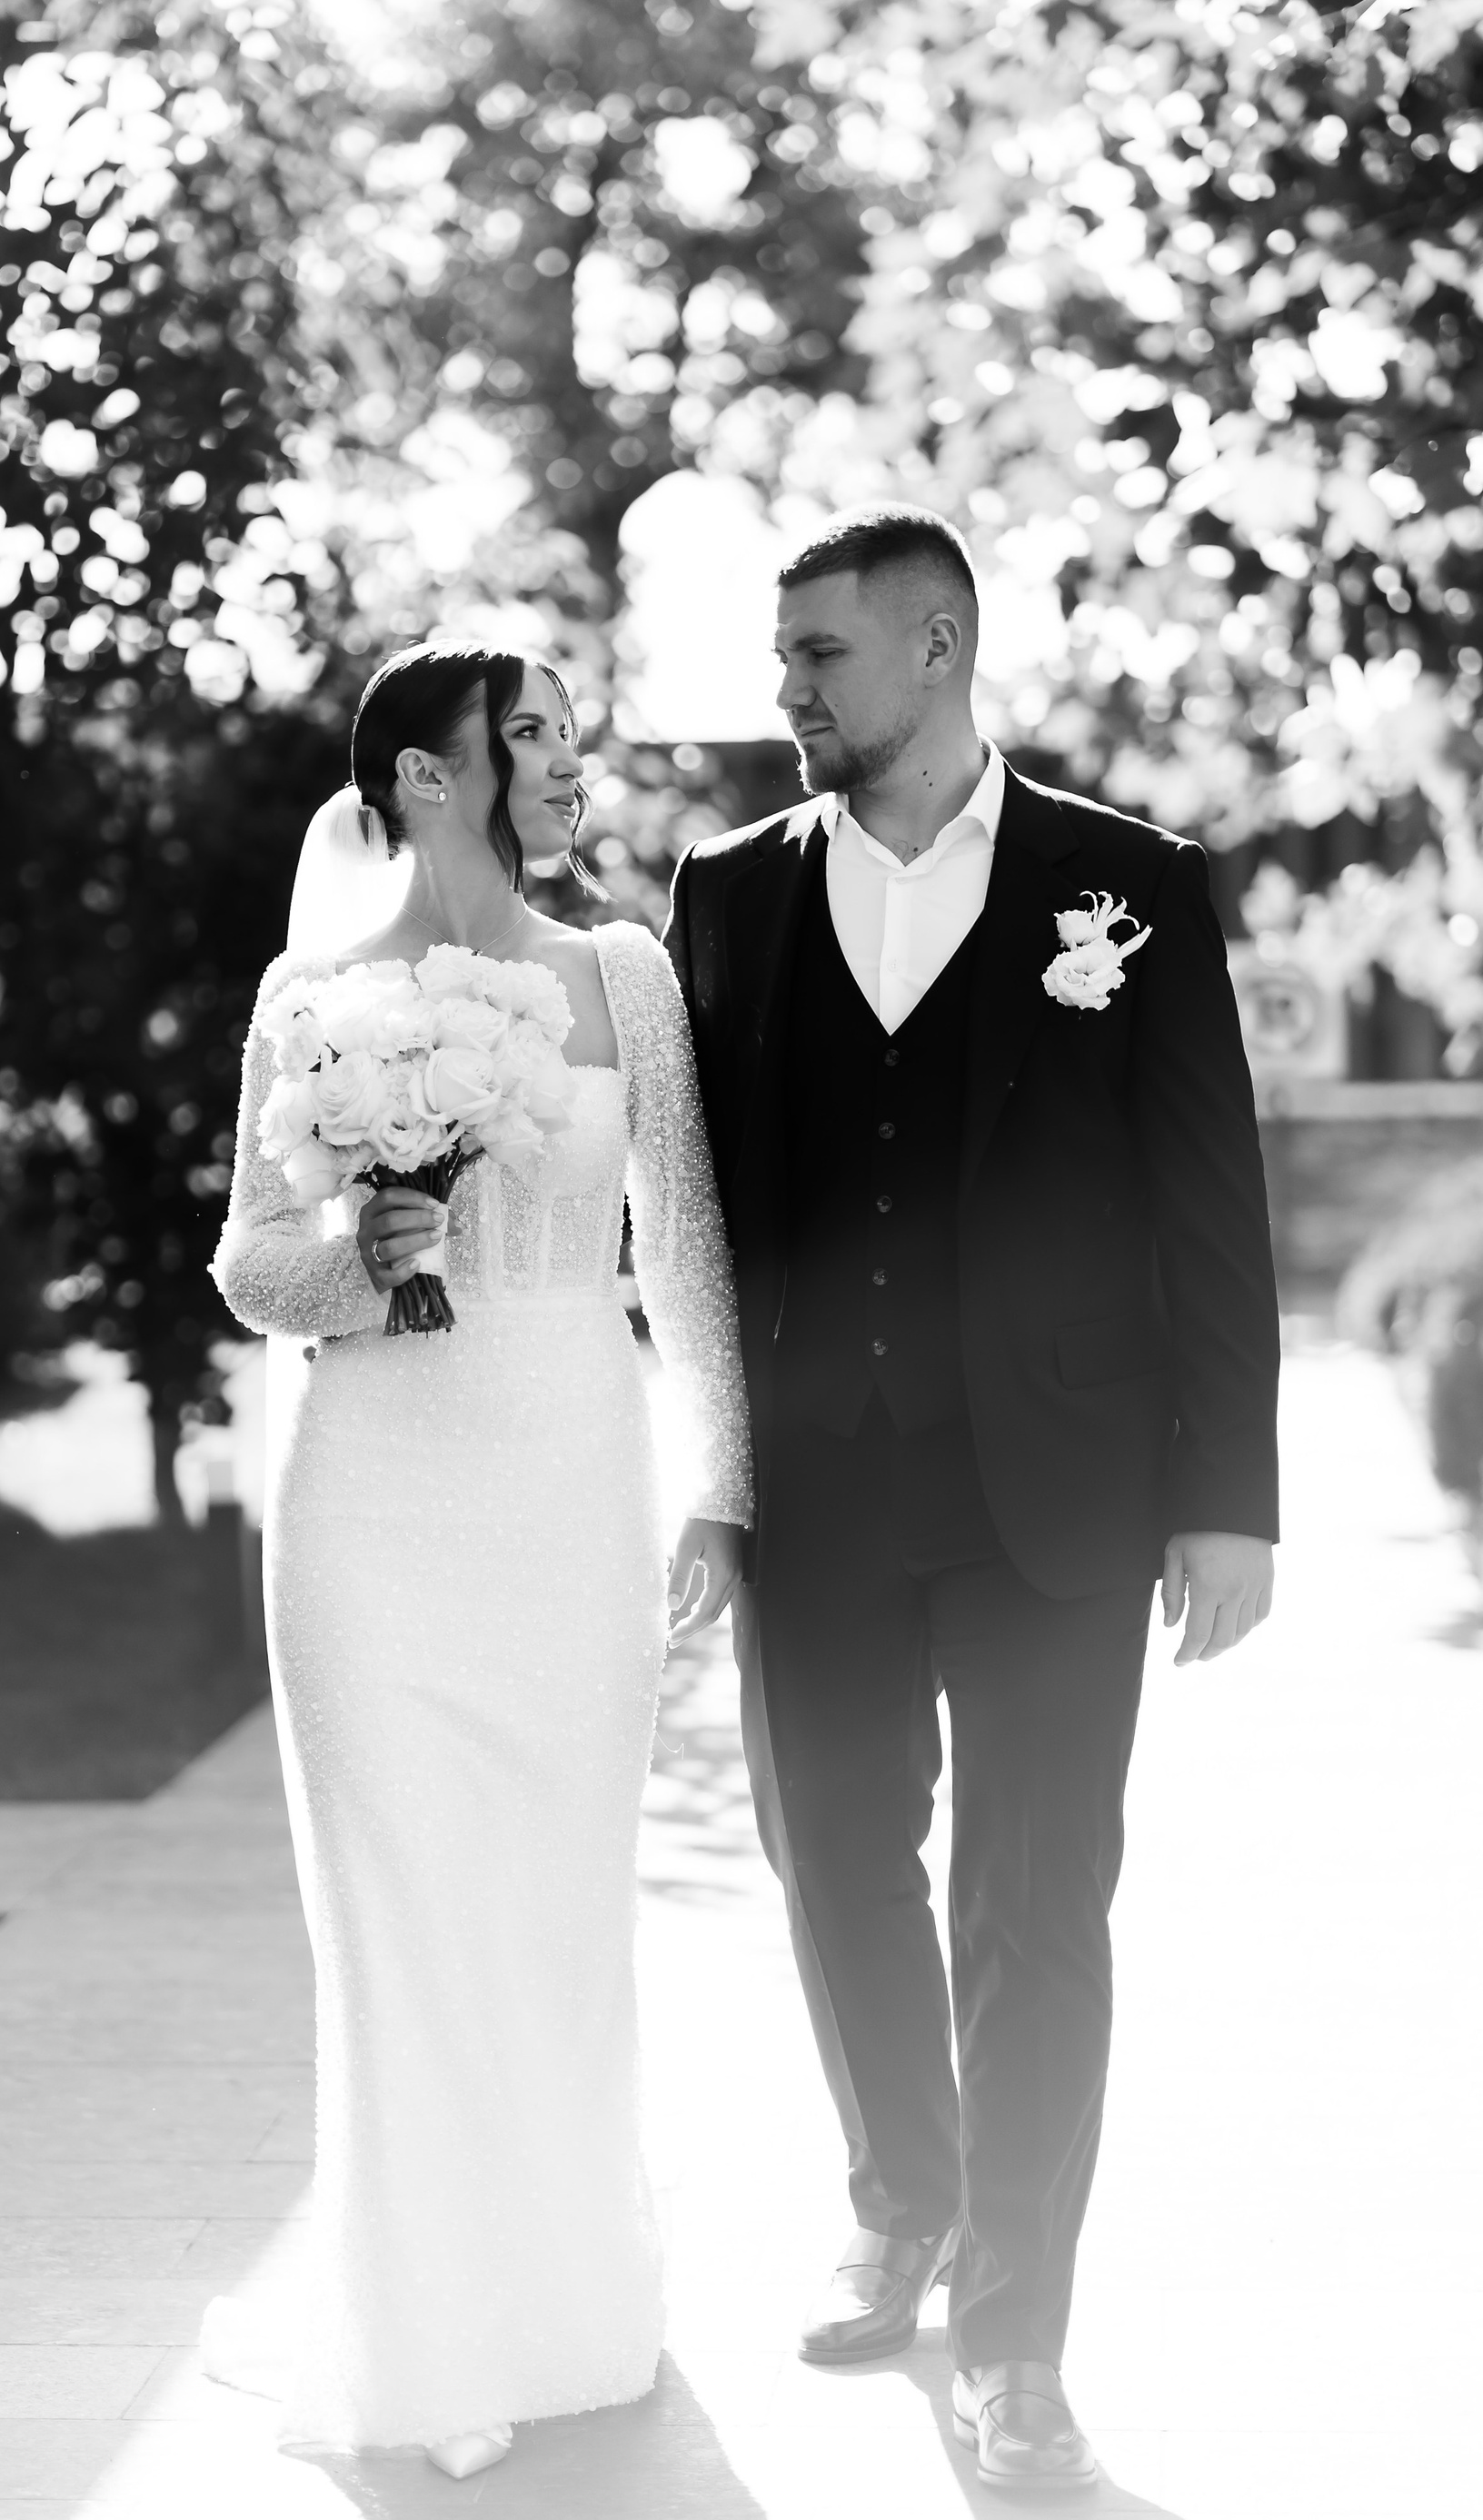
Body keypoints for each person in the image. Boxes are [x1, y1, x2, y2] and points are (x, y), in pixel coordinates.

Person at [664, 505, 1279, 2493]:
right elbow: (690, 1214)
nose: (784, 687)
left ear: (937, 647)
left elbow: (1209, 1200)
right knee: (834, 1860)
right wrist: (701, 1472)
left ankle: (1019, 2337)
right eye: (783, 653)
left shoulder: (1130, 886)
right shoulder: (725, 894)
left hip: (1064, 1497)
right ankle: (902, 2197)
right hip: (815, 1493)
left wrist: (1230, 1493)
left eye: (817, 653)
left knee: (1037, 1909)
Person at [206, 641, 751, 2479]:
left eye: (570, 738)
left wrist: (724, 1482)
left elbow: (683, 1247)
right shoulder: (309, 993)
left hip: (570, 1476)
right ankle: (420, 2333)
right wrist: (366, 1256)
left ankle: (561, 2304)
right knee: (399, 1919)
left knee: (549, 1912)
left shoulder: (622, 974)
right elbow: (253, 1265)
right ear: (427, 778)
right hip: (367, 1506)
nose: (569, 768)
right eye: (531, 738)